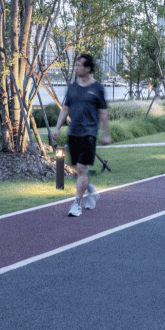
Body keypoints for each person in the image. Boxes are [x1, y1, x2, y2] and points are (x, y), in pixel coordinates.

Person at [53, 53, 112, 218]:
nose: (76, 68)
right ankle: (90, 189)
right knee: (77, 168)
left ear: (88, 69)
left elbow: (103, 113)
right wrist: (57, 128)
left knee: (81, 169)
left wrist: (106, 134)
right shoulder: (72, 87)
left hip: (89, 133)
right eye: (76, 64)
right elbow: (65, 109)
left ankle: (76, 204)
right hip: (73, 133)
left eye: (79, 65)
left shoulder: (97, 88)